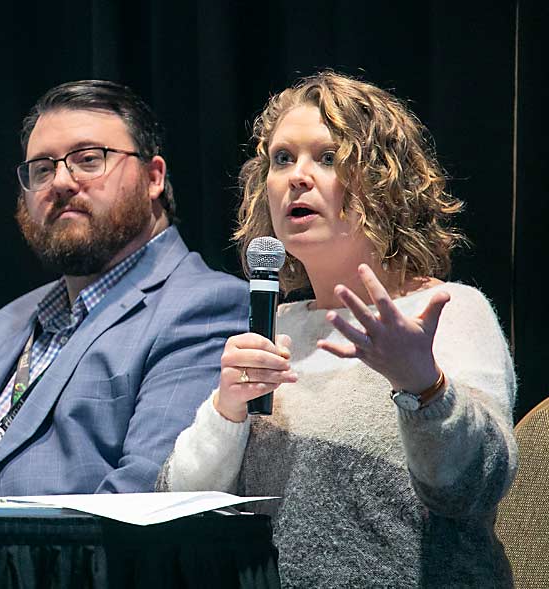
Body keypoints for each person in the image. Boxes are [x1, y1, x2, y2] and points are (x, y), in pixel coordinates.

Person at [156, 72, 518, 587]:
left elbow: (474, 490)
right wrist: (226, 412)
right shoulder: (273, 326)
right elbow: (179, 508)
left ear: (385, 185)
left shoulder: (447, 311)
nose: (296, 177)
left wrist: (424, 386)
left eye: (327, 158)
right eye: (282, 159)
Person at [0, 80, 248, 507]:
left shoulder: (204, 308)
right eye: (42, 168)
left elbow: (141, 502)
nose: (61, 181)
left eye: (88, 159)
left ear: (153, 177)